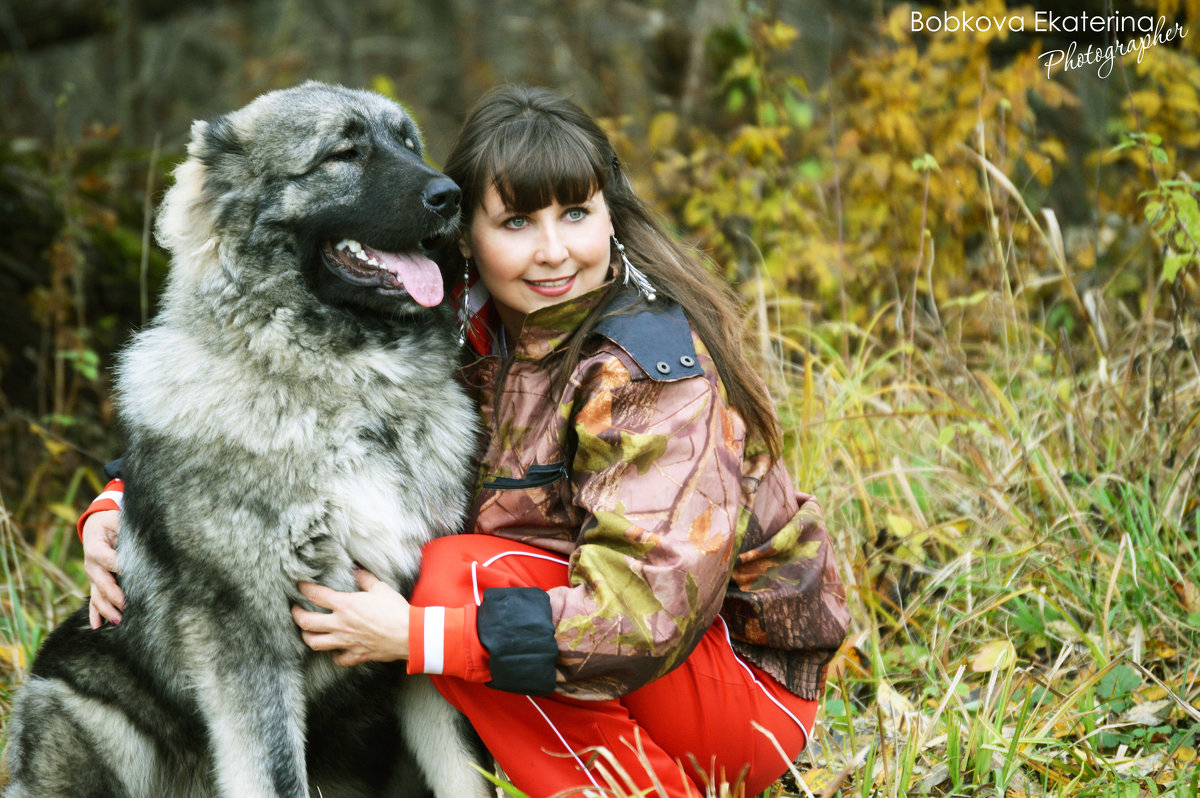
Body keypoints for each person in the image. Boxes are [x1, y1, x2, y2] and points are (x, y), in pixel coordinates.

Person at [79, 85, 849, 798]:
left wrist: (418, 636)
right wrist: (121, 501)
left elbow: (642, 617)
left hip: (731, 686)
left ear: (612, 213)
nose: (552, 252)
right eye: (516, 222)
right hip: (618, 663)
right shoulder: (468, 327)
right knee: (466, 588)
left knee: (459, 580)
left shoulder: (649, 374)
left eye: (575, 214)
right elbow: (263, 425)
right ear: (469, 233)